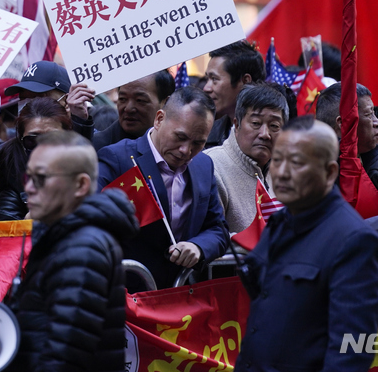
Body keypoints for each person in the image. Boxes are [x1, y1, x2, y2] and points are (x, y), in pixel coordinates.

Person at [234, 117, 378, 371]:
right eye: (278, 160)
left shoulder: (355, 241)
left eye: (296, 163)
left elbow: (351, 352)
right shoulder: (282, 221)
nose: (281, 172)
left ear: (329, 173)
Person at [5, 130, 139, 372]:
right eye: (28, 177)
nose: (29, 189)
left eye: (41, 178)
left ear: (80, 185)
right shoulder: (60, 234)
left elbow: (64, 357)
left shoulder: (84, 248)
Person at [97, 87, 229, 290]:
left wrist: (198, 247)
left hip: (179, 296)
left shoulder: (203, 165)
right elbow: (89, 219)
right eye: (180, 137)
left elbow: (217, 229)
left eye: (198, 143)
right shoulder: (118, 159)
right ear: (159, 119)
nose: (186, 150)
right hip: (126, 295)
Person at [316, 83, 378, 244]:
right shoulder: (319, 173)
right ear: (344, 123)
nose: (377, 122)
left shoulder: (368, 158)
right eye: (369, 115)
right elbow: (331, 235)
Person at [204, 84, 288, 233]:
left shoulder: (287, 170)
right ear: (236, 125)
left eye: (274, 125)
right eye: (256, 123)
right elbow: (211, 238)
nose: (264, 134)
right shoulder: (210, 167)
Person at [0, 98, 73, 221]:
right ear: (21, 139)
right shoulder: (11, 169)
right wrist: (29, 222)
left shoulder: (80, 164)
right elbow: (7, 226)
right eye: (32, 140)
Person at [4, 61, 96, 140]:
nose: (31, 105)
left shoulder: (95, 142)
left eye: (39, 98)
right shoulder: (8, 153)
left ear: (66, 101)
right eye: (23, 98)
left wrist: (81, 125)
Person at [203, 40, 266, 148]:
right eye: (207, 79)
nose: (206, 88)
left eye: (214, 79)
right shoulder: (206, 135)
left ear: (245, 81)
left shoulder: (269, 137)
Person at [92, 70, 175, 151]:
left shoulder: (178, 149)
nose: (128, 108)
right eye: (122, 99)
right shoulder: (97, 148)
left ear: (166, 103)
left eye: (140, 100)